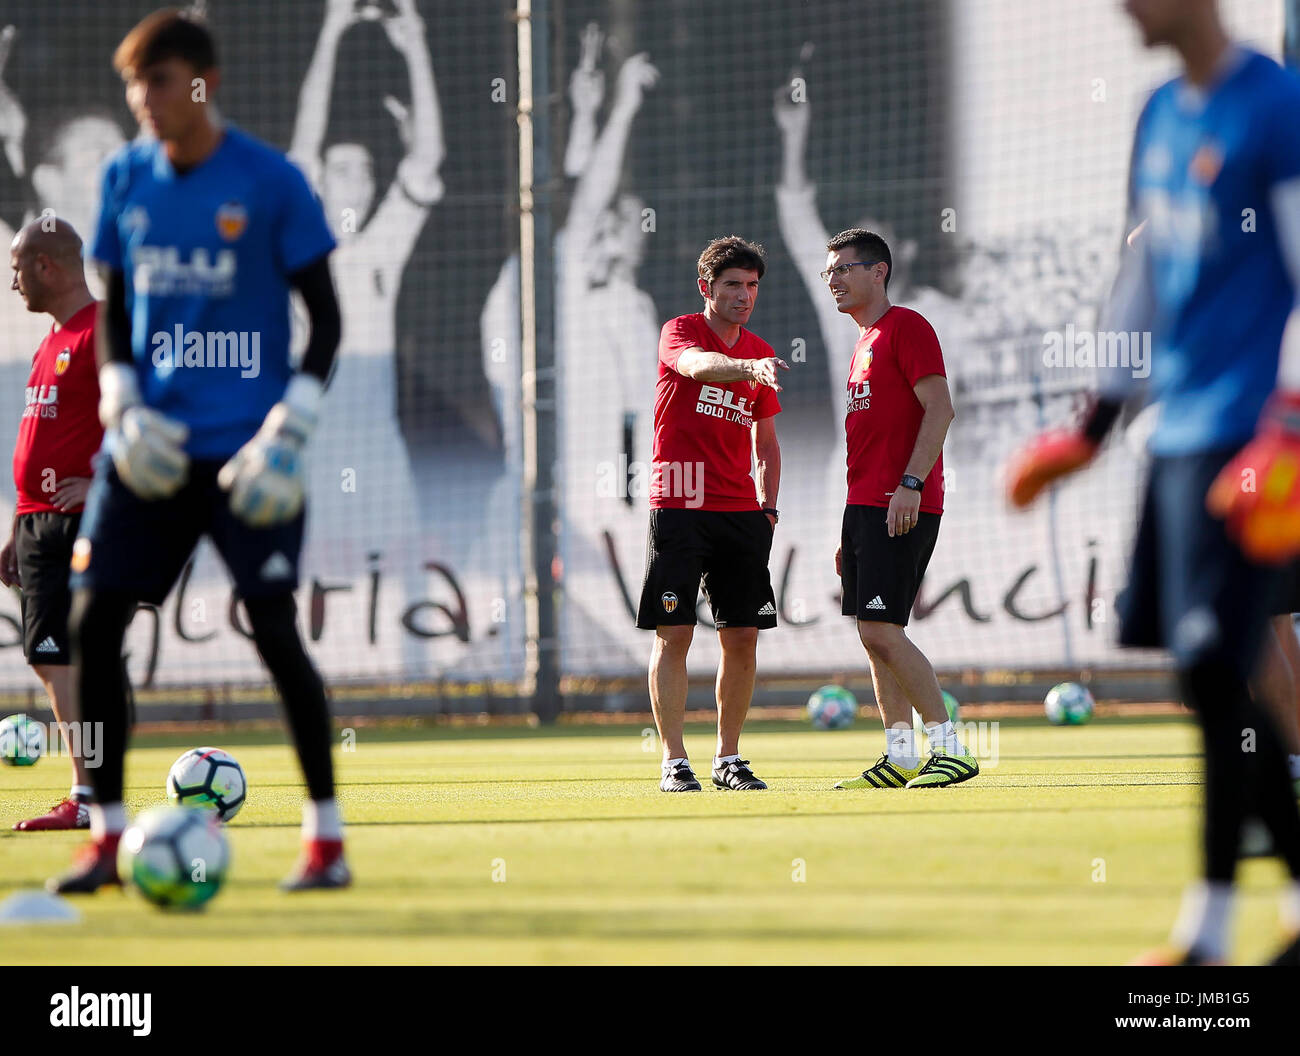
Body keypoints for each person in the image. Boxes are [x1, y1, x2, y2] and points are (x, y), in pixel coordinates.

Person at [1007, 0, 1300, 964]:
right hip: (1174, 433)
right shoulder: (1156, 115)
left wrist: (1288, 428)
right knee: (1200, 671)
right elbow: (1139, 278)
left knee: (1219, 656)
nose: (1122, 8)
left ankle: (1208, 936)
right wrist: (1090, 426)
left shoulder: (1275, 106)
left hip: (1256, 434)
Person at [49, 9, 347, 893]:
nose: (143, 99)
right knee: (92, 626)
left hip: (251, 455)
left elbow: (326, 319)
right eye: (134, 83)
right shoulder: (125, 179)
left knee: (274, 628)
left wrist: (288, 428)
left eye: (160, 81)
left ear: (203, 84)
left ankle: (324, 843)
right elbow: (117, 312)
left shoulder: (269, 180)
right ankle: (104, 837)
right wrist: (119, 398)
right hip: (151, 452)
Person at [819, 229, 974, 790]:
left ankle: (950, 746)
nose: (833, 280)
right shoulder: (863, 343)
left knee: (883, 629)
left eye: (842, 269)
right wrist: (851, 525)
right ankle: (901, 755)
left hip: (900, 503)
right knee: (872, 631)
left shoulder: (906, 326)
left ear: (878, 271)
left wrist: (910, 483)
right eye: (828, 272)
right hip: (866, 508)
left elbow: (941, 407)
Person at [637, 236, 785, 792]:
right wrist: (749, 368)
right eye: (732, 285)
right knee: (674, 634)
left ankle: (729, 759)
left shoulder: (760, 351)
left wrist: (767, 508)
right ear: (706, 288)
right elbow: (697, 368)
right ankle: (675, 761)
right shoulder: (680, 332)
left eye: (751, 286)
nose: (745, 296)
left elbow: (766, 444)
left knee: (741, 636)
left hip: (741, 513)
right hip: (679, 502)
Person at [1, 218, 101, 830]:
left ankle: (90, 797)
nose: (11, 283)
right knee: (50, 657)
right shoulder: (52, 339)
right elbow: (41, 437)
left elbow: (145, 412)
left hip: (83, 521)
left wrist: (103, 484)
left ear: (46, 267)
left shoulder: (104, 328)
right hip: (39, 523)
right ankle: (91, 794)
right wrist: (19, 520)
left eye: (16, 269)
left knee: (74, 657)